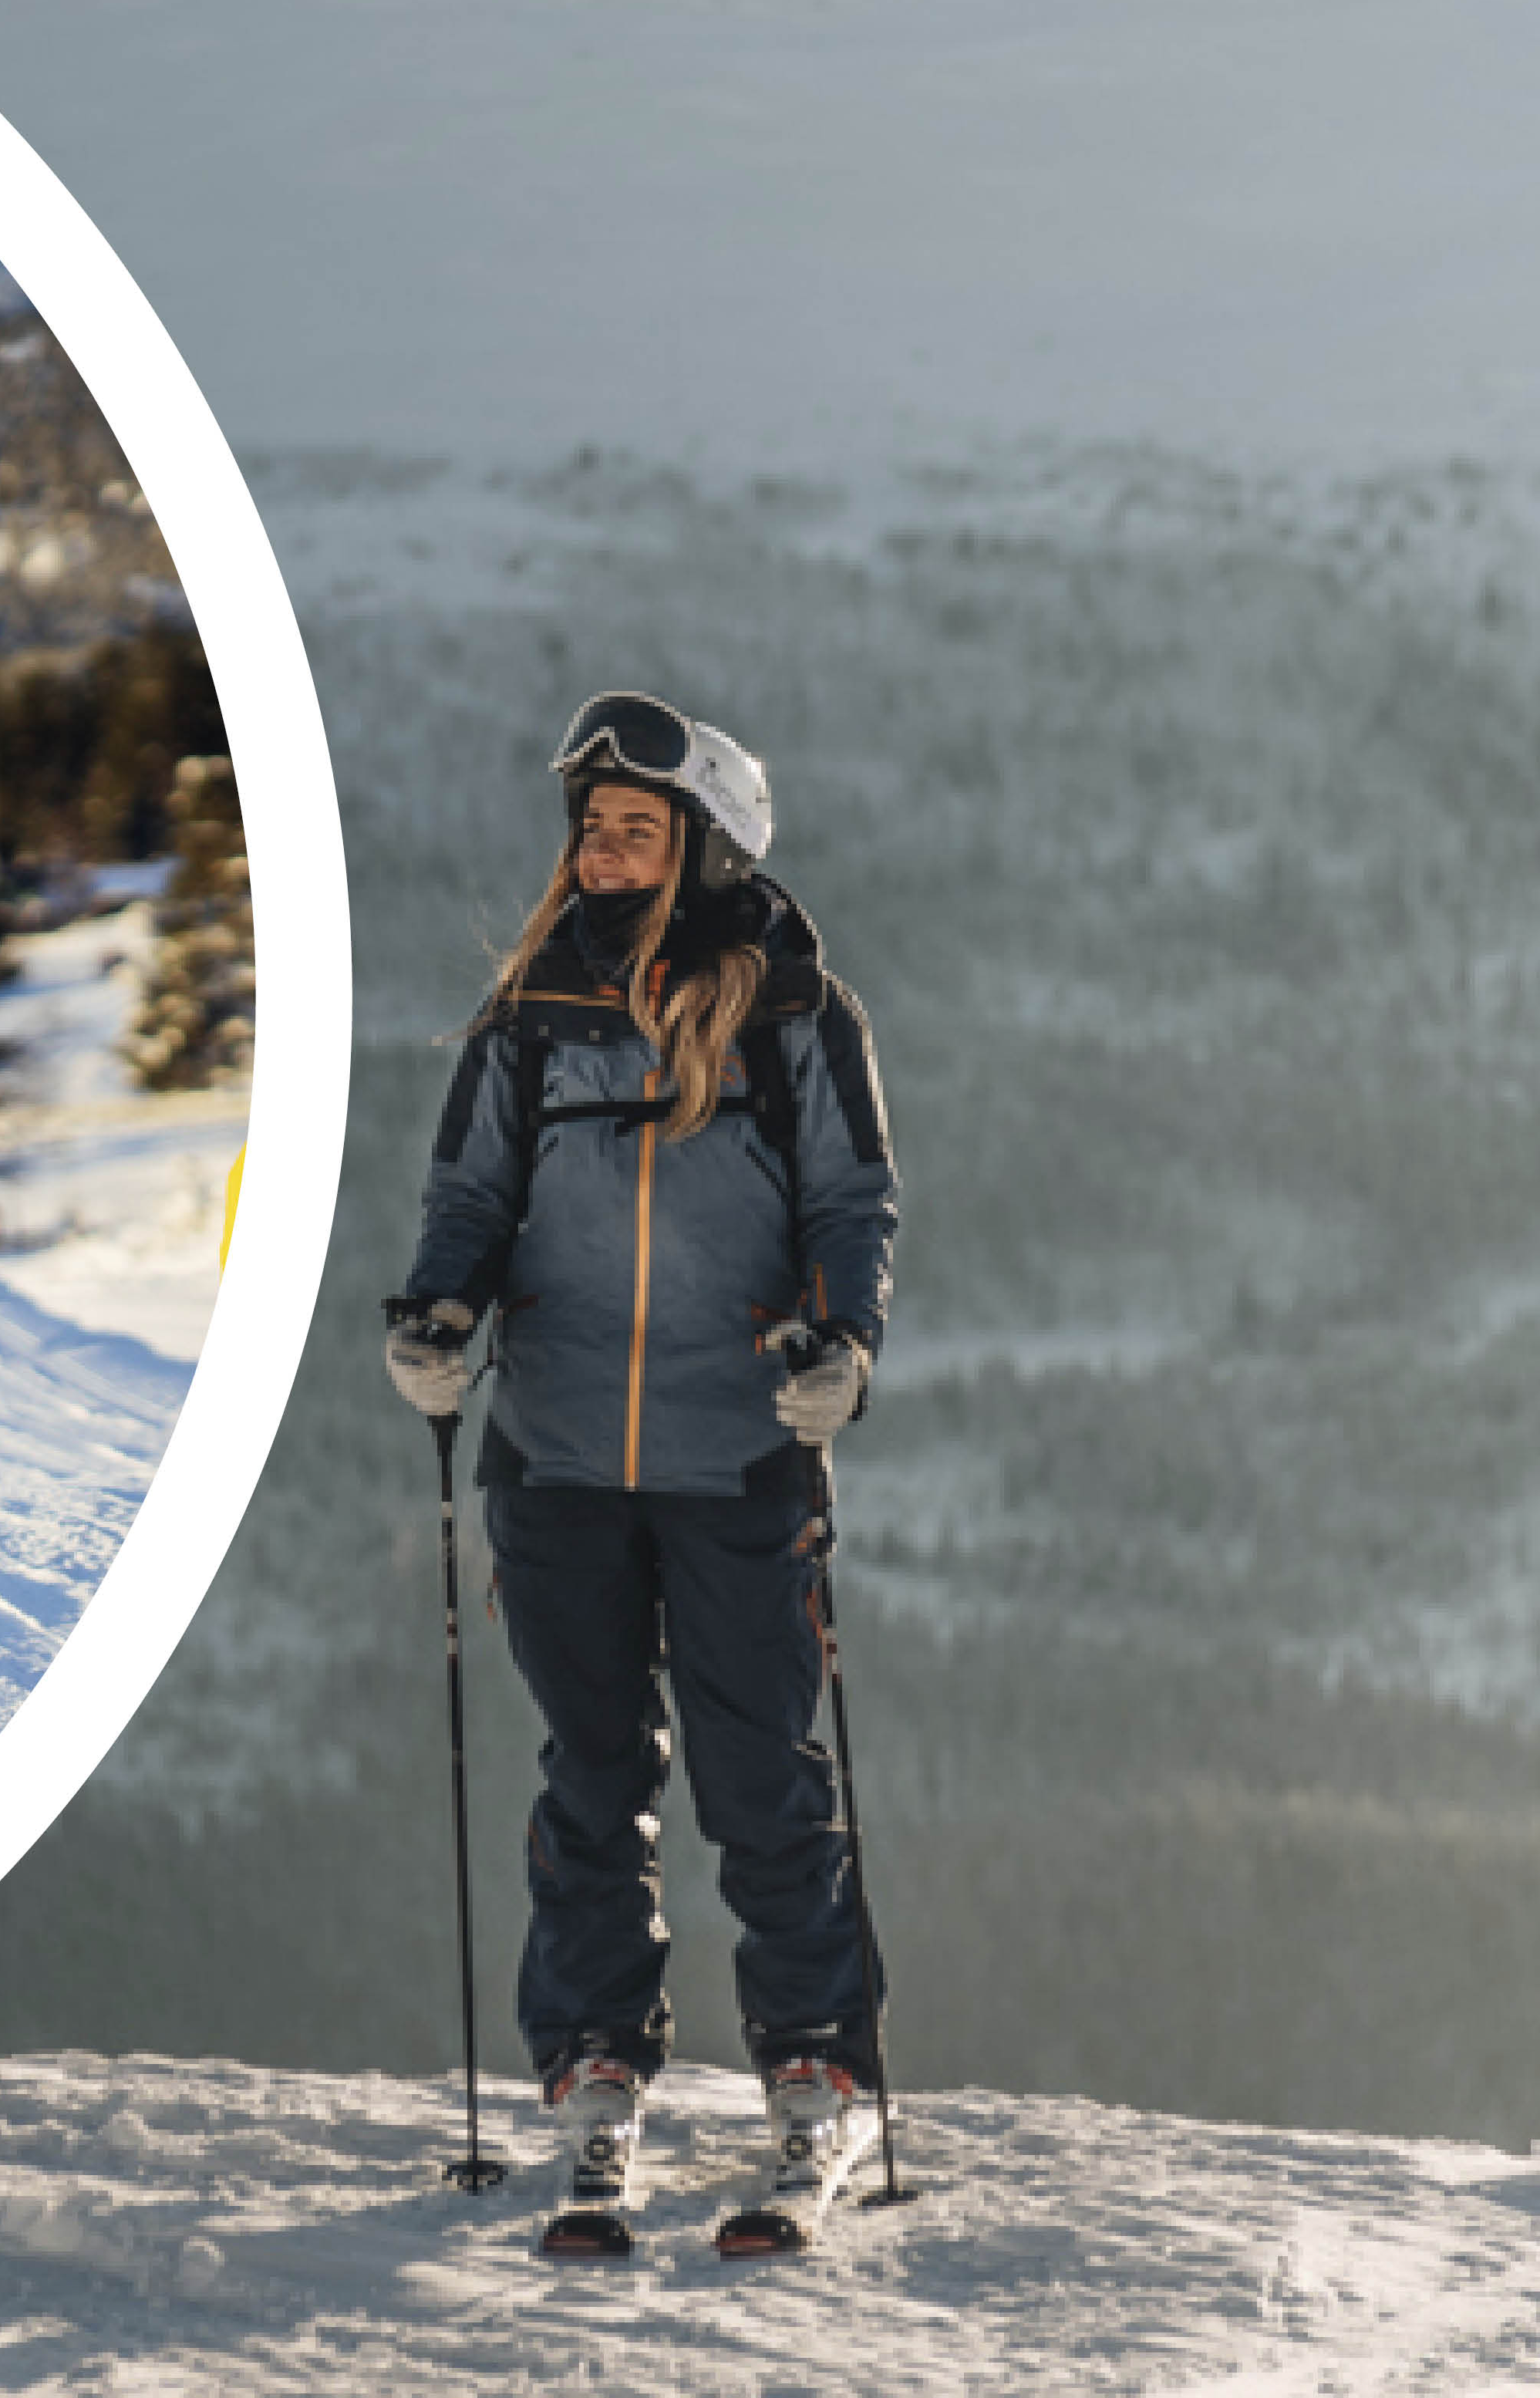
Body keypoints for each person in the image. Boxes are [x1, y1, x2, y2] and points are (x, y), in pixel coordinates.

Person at [382, 690, 898, 2223]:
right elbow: (469, 1198)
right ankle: (595, 2073)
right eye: (591, 829)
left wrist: (844, 1348)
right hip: (555, 1462)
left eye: (636, 830)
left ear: (709, 845)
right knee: (590, 1780)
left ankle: (816, 2079)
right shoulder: (529, 1016)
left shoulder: (796, 1015)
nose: (603, 853)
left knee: (763, 1785)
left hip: (739, 1454)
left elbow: (850, 1205)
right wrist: (438, 1313)